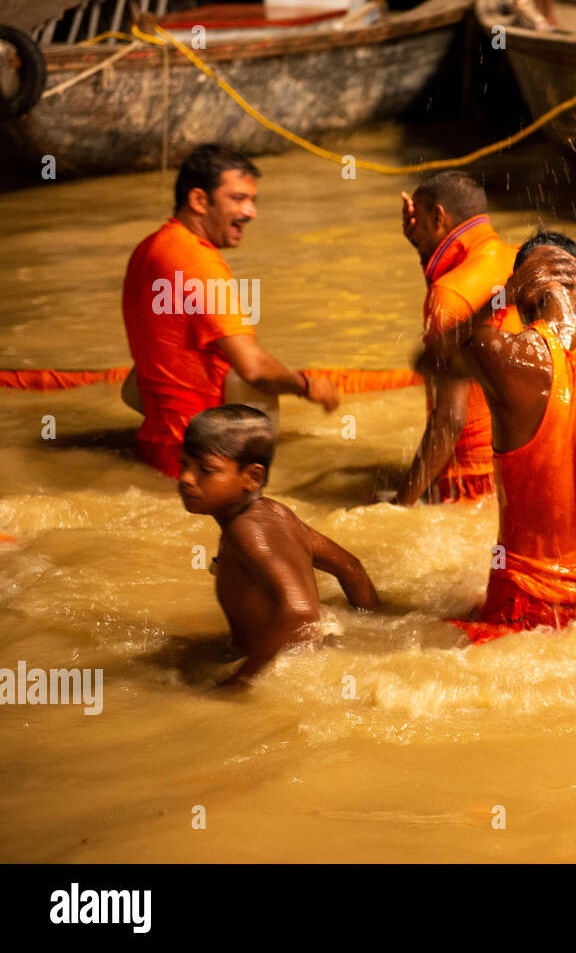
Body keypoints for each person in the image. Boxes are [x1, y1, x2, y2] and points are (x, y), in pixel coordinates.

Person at [420, 233, 576, 642]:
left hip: (523, 609)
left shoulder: (499, 352)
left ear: (519, 302)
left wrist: (496, 299)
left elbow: (430, 359)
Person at [121, 144, 339, 479]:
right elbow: (252, 368)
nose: (251, 212)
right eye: (238, 199)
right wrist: (307, 386)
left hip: (158, 448)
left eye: (252, 200)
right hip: (207, 462)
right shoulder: (199, 262)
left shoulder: (148, 250)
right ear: (199, 200)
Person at [178, 406, 378, 686]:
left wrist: (239, 682)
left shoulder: (246, 530)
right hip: (306, 663)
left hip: (292, 678)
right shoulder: (276, 513)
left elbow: (300, 611)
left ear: (253, 477)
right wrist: (373, 628)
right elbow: (351, 568)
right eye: (184, 465)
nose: (186, 479)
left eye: (206, 470)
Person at [394, 171, 523, 505]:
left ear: (439, 216)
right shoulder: (526, 262)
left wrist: (399, 506)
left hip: (470, 485)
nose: (414, 233)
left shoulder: (449, 291)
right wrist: (427, 254)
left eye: (419, 222)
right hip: (527, 471)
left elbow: (449, 420)